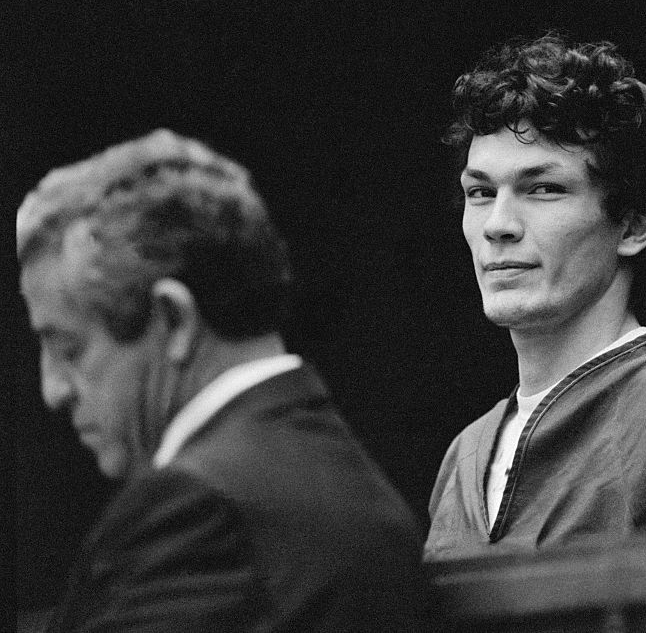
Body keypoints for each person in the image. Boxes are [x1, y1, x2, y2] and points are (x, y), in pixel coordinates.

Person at [17, 129, 431, 632]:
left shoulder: (194, 514)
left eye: (68, 348)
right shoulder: (350, 480)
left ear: (174, 321)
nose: (52, 389)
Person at [424, 35, 646, 560]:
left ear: (633, 226)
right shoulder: (465, 452)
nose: (498, 225)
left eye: (544, 188)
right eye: (480, 192)